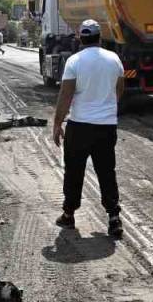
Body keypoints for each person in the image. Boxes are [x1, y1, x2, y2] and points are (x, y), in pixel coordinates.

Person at [52, 19, 125, 238]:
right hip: (106, 127)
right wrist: (106, 106)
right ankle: (113, 217)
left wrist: (57, 123)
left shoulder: (74, 62)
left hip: (80, 125)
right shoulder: (114, 59)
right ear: (99, 37)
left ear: (81, 39)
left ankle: (68, 214)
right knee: (106, 171)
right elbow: (119, 89)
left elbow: (65, 95)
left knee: (74, 171)